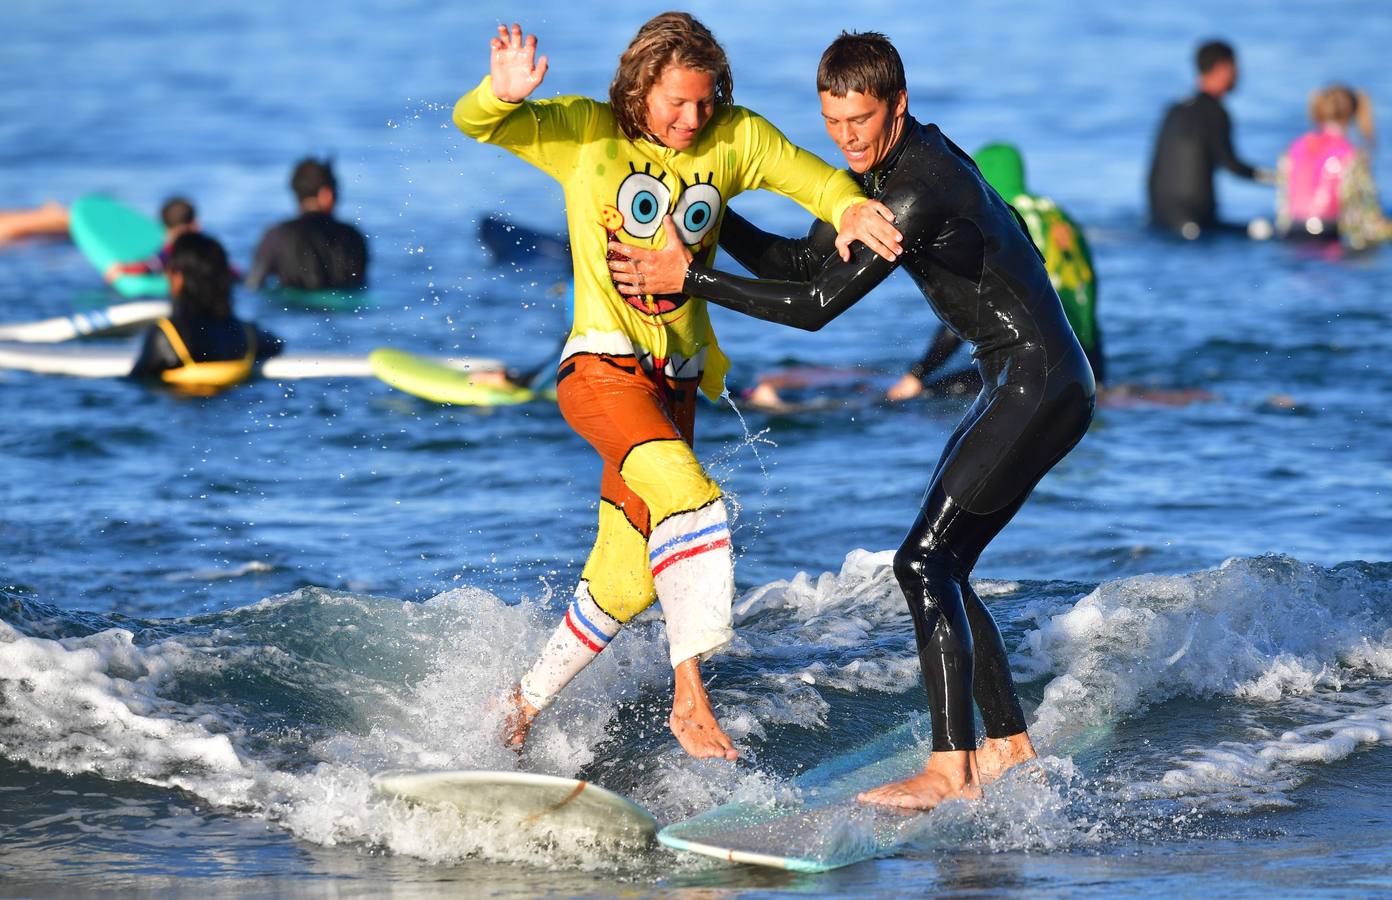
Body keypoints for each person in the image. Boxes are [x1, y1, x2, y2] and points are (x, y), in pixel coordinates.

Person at [608, 31, 1094, 807]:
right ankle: (1008, 747)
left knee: (923, 564)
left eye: (862, 121)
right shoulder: (873, 176)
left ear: (897, 105)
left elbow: (813, 310)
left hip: (1039, 383)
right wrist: (714, 204)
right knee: (944, 562)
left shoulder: (918, 185)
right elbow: (801, 265)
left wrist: (689, 276)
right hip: (1016, 380)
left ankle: (950, 770)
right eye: (833, 124)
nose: (848, 140)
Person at [452, 16, 899, 761]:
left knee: (627, 577)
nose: (693, 119)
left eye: (705, 101)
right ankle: (689, 702)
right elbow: (480, 124)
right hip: (601, 369)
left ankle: (519, 704)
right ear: (639, 90)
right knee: (695, 504)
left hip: (676, 386)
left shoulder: (733, 136)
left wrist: (849, 207)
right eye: (677, 103)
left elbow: (810, 177)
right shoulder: (586, 133)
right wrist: (496, 94)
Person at [1147, 40, 1273, 239]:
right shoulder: (1215, 112)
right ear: (1222, 68)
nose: (1238, 74)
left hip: (1160, 220)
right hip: (1197, 226)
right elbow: (1231, 165)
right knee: (1264, 232)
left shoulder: (1174, 110)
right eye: (1235, 67)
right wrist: (1276, 177)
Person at [129, 232, 282, 394]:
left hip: (182, 409)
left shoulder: (167, 336)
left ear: (178, 278)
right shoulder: (247, 334)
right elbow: (277, 344)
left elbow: (134, 382)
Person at [1276, 84, 1392, 248]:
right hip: (1328, 238)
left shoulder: (1295, 148)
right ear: (1353, 113)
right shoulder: (1351, 156)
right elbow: (1367, 220)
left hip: (1292, 234)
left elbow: (1284, 205)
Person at [246, 158, 369, 292]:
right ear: (326, 195)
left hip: (292, 309)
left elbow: (253, 285)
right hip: (344, 310)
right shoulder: (353, 236)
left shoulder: (276, 236)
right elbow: (360, 286)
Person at [102, 196, 202, 283]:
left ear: (165, 226)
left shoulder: (173, 249)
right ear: (194, 223)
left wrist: (123, 269)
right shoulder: (204, 246)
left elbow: (152, 265)